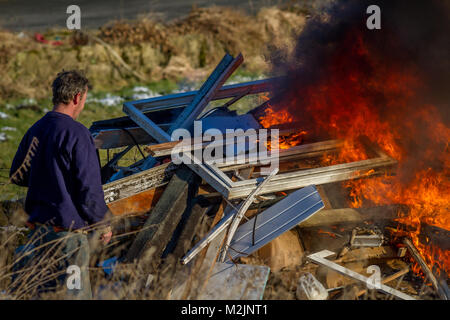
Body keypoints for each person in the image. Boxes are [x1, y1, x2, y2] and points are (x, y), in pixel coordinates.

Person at [9, 70, 112, 299]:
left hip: (36, 235)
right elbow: (89, 190)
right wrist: (103, 224)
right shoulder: (78, 134)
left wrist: (46, 175)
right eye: (84, 98)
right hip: (68, 240)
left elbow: (17, 175)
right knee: (73, 295)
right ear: (77, 97)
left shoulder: (35, 129)